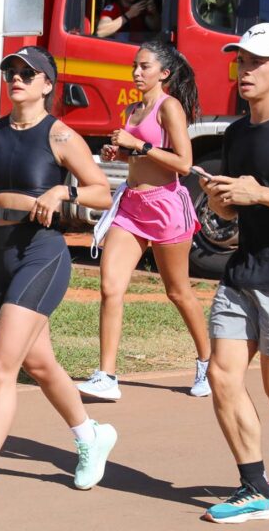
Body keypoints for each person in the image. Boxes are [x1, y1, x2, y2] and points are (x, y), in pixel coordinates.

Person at [0, 46, 116, 513]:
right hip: (2, 253)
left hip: (43, 252)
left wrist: (63, 189)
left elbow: (102, 191)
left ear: (46, 85)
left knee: (1, 366)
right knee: (39, 364)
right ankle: (90, 436)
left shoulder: (59, 135)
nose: (15, 78)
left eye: (26, 73)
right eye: (10, 71)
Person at [199, 23, 269, 524]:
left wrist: (257, 193)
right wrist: (224, 207)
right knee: (221, 376)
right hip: (241, 271)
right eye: (240, 60)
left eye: (255, 62)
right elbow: (237, 207)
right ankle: (256, 488)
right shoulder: (236, 133)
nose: (244, 70)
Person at [77, 40, 212, 401]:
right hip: (131, 207)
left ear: (164, 73)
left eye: (145, 67)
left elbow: (184, 164)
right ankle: (106, 375)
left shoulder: (170, 108)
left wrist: (138, 147)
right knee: (110, 288)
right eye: (134, 66)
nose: (136, 73)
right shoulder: (135, 110)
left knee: (177, 291)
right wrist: (119, 152)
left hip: (166, 207)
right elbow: (137, 157)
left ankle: (207, 362)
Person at [96, 0, 160, 42]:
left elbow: (156, 27)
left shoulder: (141, 6)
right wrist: (129, 15)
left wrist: (154, 12)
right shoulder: (113, 8)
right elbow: (100, 32)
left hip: (140, 46)